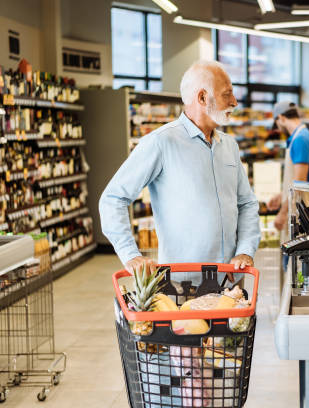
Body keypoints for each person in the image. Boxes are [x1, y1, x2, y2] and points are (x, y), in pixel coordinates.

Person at [99, 60, 260, 281]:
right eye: (227, 94)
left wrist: (245, 250)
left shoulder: (229, 146)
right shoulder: (161, 142)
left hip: (231, 282)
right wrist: (130, 255)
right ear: (203, 97)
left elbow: (247, 203)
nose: (234, 102)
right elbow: (113, 198)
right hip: (184, 287)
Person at [267, 101, 309, 235]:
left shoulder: (300, 140)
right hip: (303, 209)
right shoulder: (305, 136)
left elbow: (300, 183)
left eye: (277, 124)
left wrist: (282, 213)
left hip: (302, 214)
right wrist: (282, 195)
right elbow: (300, 179)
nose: (278, 129)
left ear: (281, 118)